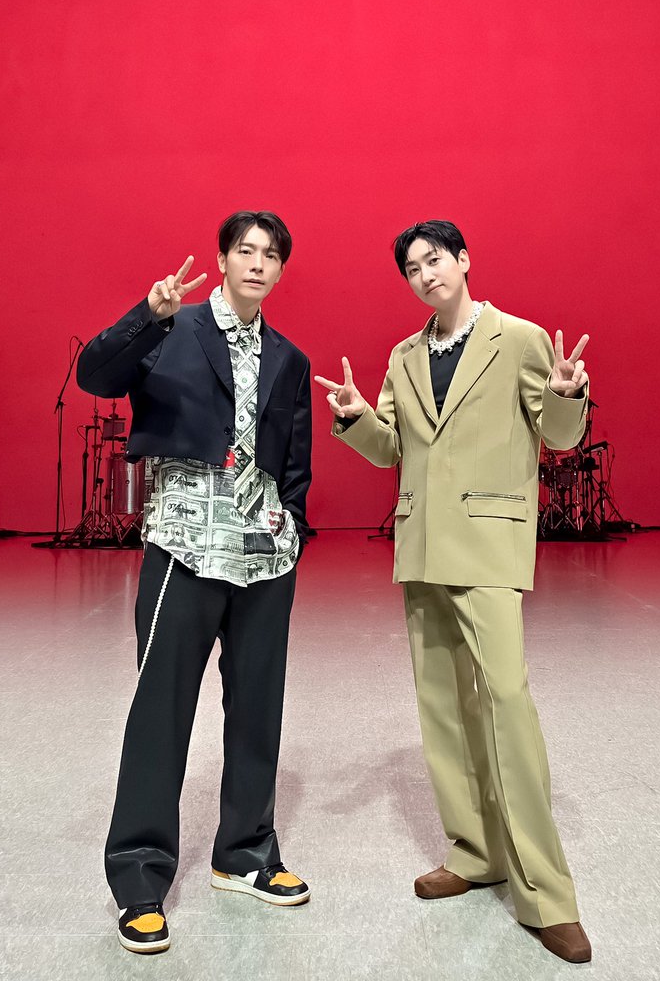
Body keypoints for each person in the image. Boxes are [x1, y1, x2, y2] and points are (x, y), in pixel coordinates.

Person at [315, 220, 592, 965]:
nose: (425, 274)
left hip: (490, 547)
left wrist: (567, 395)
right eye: (411, 268)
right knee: (443, 709)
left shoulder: (519, 339)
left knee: (507, 705)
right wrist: (355, 417)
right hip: (422, 547)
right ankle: (475, 852)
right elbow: (393, 449)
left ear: (464, 260)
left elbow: (559, 436)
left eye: (434, 259)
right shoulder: (404, 357)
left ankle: (547, 894)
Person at [77, 211, 312, 955]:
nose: (258, 264)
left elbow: (294, 458)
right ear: (223, 258)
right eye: (245, 250)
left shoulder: (289, 357)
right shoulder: (173, 329)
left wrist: (291, 528)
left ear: (281, 270)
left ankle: (245, 852)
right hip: (185, 544)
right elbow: (94, 376)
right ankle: (139, 875)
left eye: (271, 255)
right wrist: (147, 315)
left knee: (258, 709)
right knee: (161, 709)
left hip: (263, 556)